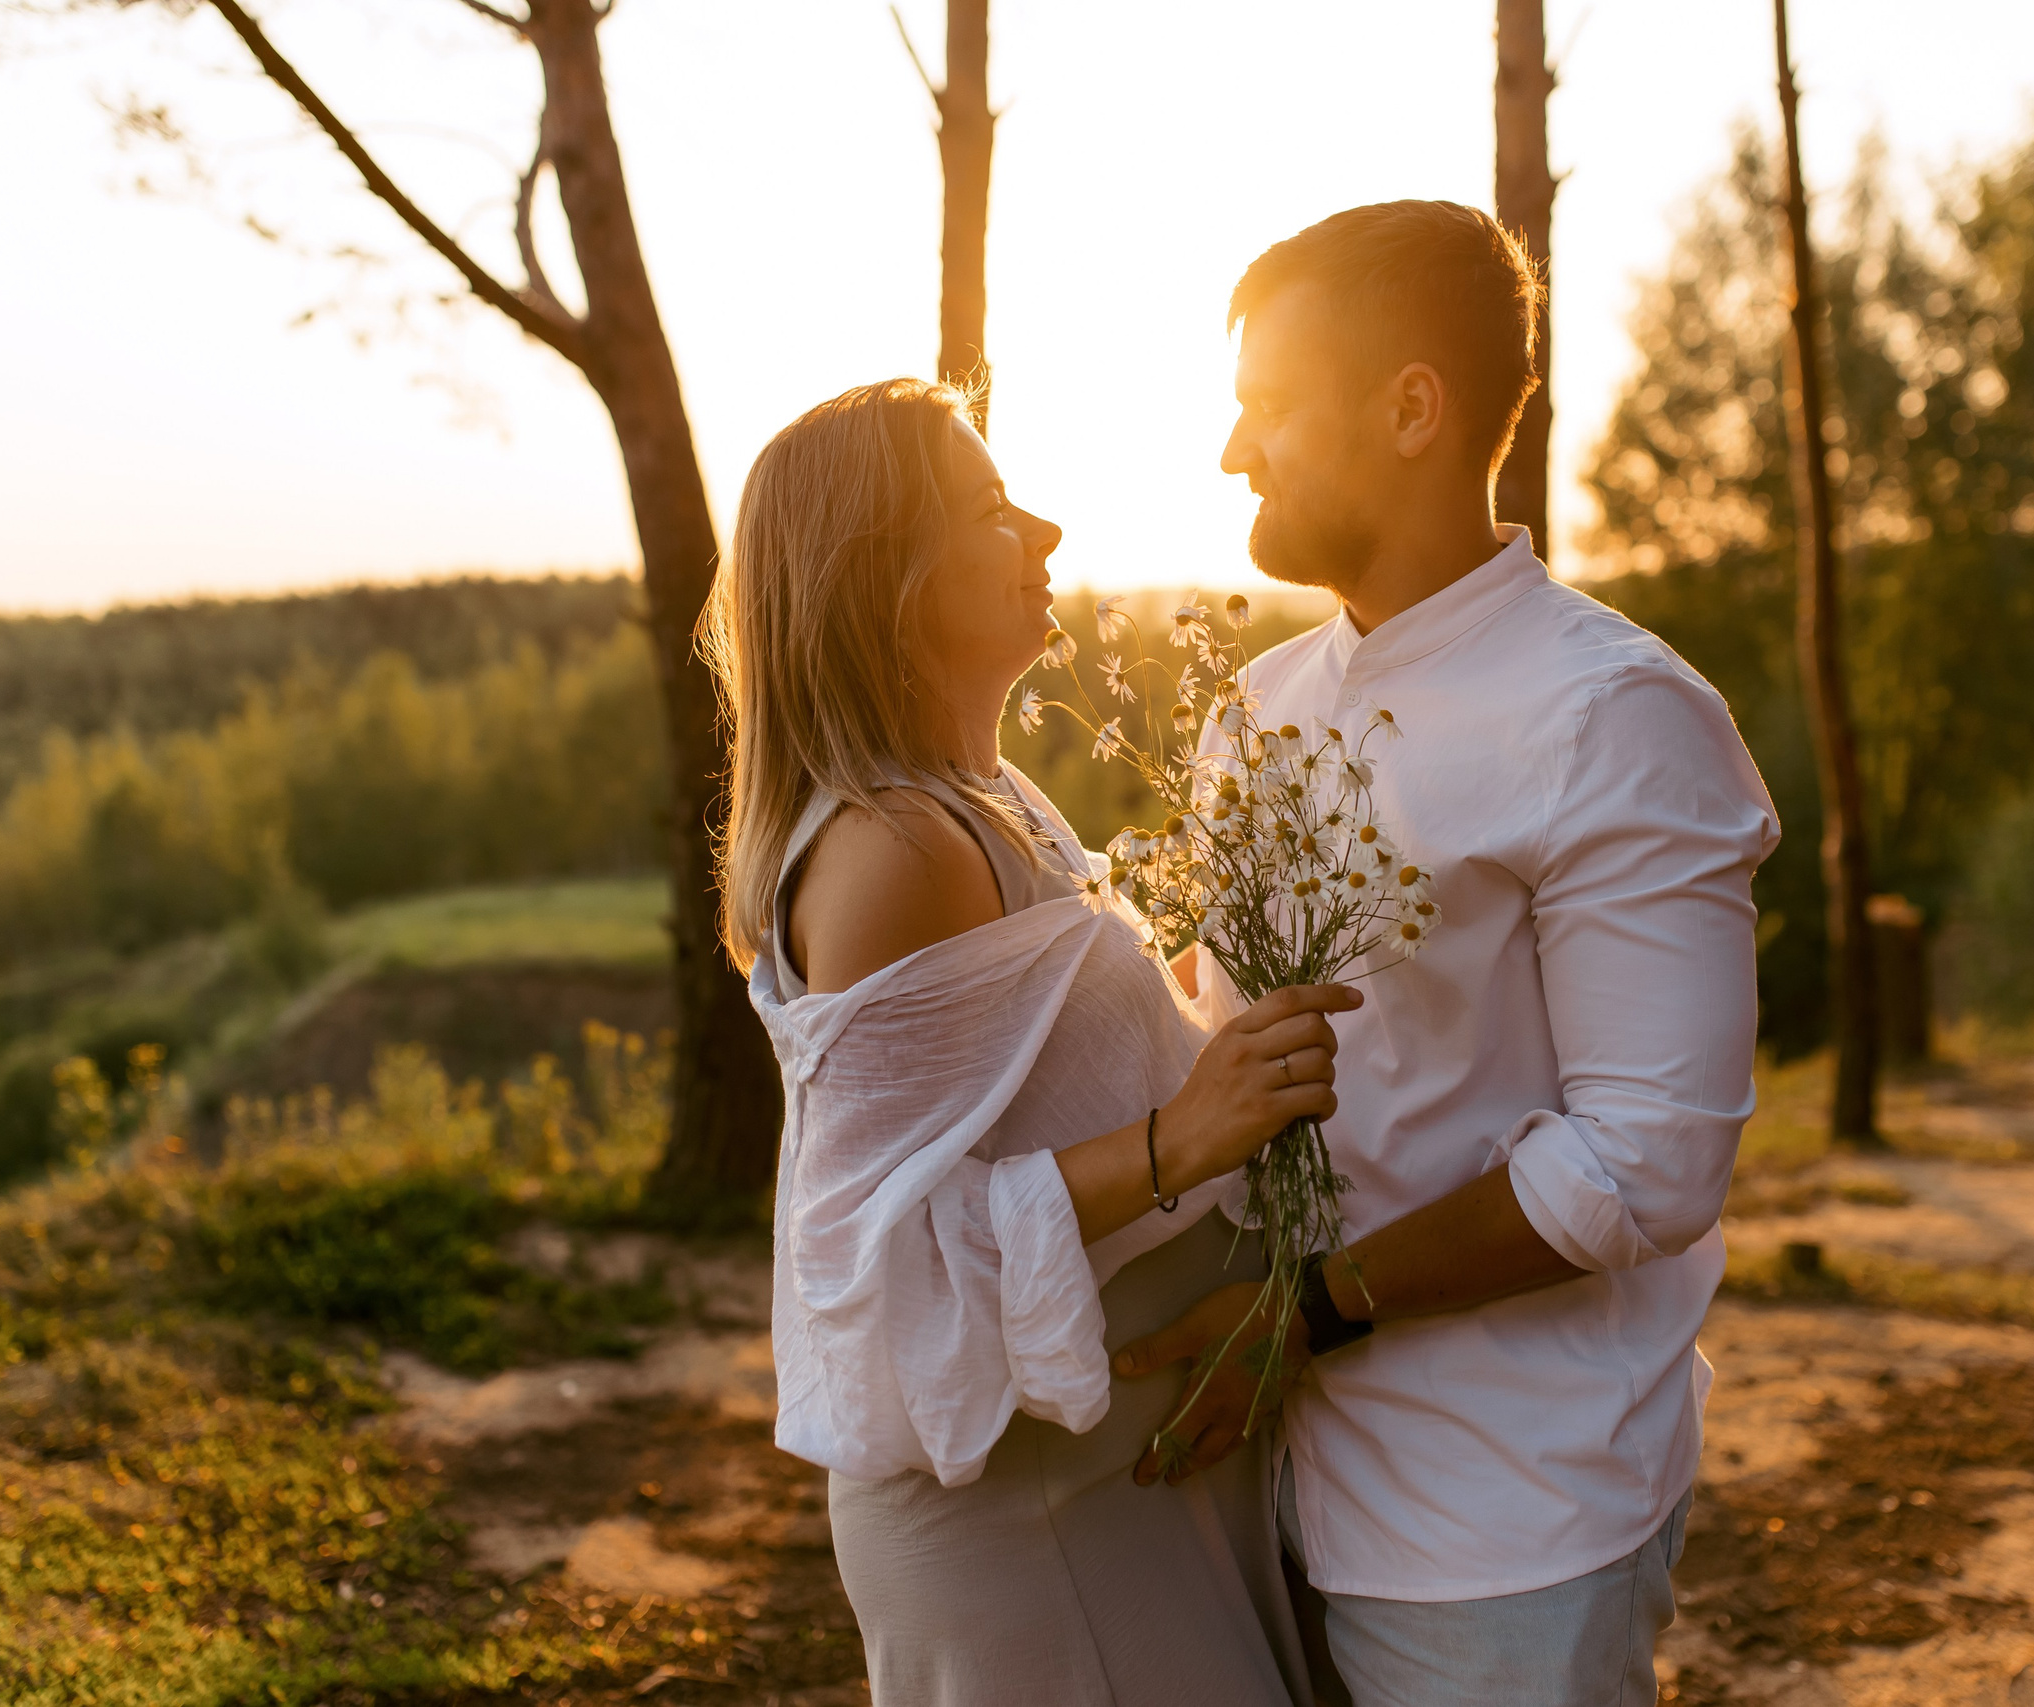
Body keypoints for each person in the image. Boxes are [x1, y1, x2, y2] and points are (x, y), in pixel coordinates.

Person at [1116, 201, 1781, 1706]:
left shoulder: (1614, 717)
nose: (1235, 452)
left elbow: (1647, 1163)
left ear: (1413, 407)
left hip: (1506, 1521)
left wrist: (1307, 1315)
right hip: (1250, 1491)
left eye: (1271, 407)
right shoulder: (1254, 714)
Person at [709, 376, 1357, 1707]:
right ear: (883, 575)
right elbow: (882, 1254)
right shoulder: (895, 854)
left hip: (1106, 1482)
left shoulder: (986, 802)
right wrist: (1184, 1135)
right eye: (996, 508)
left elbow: (1016, 1088)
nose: (1048, 532)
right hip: (1030, 1517)